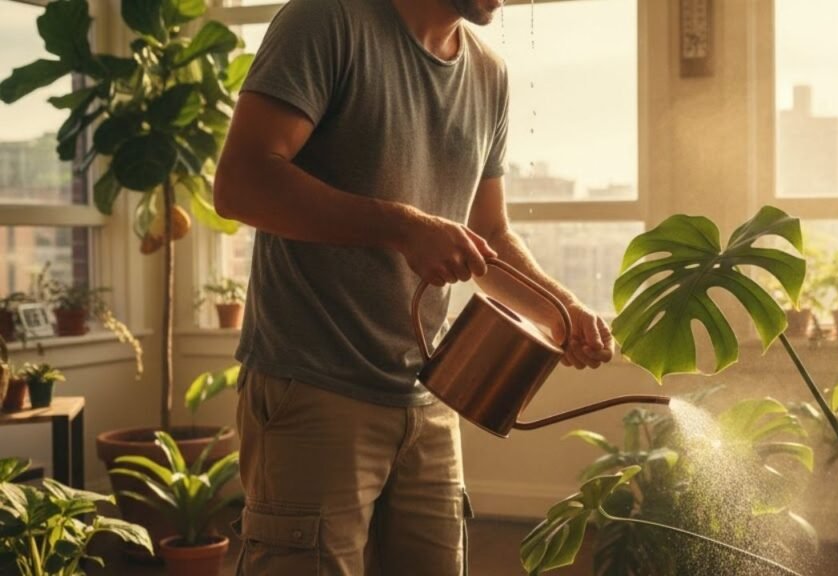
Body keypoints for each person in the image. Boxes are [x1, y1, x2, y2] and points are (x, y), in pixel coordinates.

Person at [214, 0, 615, 573]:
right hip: (312, 388)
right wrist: (403, 226)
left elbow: (489, 233)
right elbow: (240, 183)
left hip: (428, 399)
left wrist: (564, 310)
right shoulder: (326, 20)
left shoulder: (488, 73)